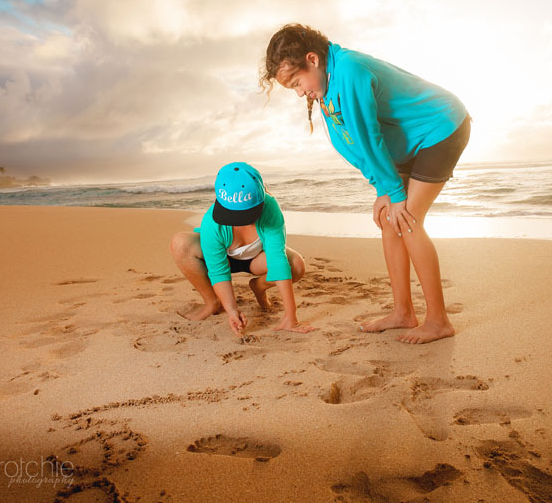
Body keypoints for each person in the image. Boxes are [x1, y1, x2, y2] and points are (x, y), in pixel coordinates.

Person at [260, 24, 471, 344]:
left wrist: (395, 192)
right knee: (389, 220)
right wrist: (383, 190)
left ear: (312, 59)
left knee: (408, 220)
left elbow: (368, 137)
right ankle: (403, 313)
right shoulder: (326, 84)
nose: (300, 92)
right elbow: (352, 144)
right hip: (409, 141)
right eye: (292, 88)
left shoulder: (350, 73)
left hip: (441, 127)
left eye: (297, 82)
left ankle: (439, 320)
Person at [169, 161, 314, 336]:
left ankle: (258, 287)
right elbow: (218, 271)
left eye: (246, 214)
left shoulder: (270, 208)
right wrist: (232, 310)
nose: (240, 221)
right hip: (225, 258)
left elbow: (277, 259)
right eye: (234, 215)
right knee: (180, 242)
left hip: (257, 259)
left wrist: (291, 317)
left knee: (296, 265)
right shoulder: (211, 223)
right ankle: (212, 302)